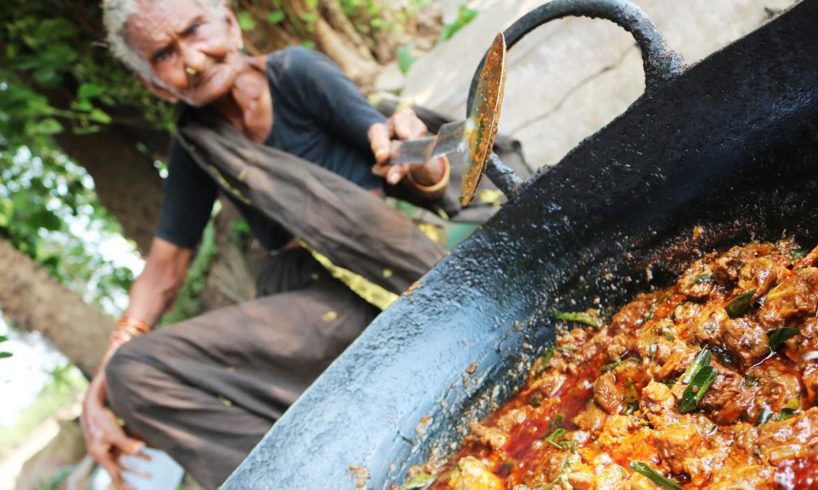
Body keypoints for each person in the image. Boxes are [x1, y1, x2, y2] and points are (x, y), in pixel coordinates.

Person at [81, 0, 451, 487]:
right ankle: (310, 477)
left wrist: (417, 153)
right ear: (154, 82)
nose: (191, 60)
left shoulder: (295, 72)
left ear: (229, 24)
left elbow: (397, 153)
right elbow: (165, 268)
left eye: (194, 30)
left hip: (392, 261)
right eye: (165, 55)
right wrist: (101, 386)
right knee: (136, 374)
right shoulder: (197, 144)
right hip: (315, 303)